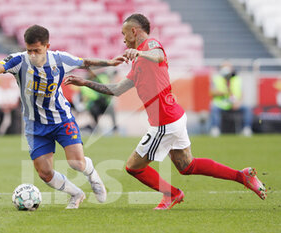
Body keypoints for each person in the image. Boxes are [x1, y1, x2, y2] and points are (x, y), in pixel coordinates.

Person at [64, 14, 267, 210]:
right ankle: (242, 176)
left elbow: (158, 54)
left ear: (134, 31)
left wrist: (140, 52)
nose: (123, 38)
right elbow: (116, 90)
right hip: (173, 116)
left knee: (134, 167)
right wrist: (85, 82)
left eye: (124, 33)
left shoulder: (150, 46)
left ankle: (172, 194)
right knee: (187, 166)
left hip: (165, 121)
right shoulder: (137, 62)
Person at [0, 25, 123, 209]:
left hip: (61, 119)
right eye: (29, 50)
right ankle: (76, 194)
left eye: (37, 50)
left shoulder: (60, 59)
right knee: (44, 173)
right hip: (35, 125)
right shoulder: (19, 60)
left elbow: (85, 62)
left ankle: (93, 176)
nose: (32, 55)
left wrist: (110, 63)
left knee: (76, 163)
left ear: (47, 46)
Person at [210, 63, 253, 137]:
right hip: (222, 104)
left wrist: (238, 102)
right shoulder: (216, 78)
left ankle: (246, 128)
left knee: (247, 108)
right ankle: (215, 129)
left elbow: (242, 93)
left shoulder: (237, 79)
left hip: (235, 104)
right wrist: (223, 92)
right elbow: (212, 92)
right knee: (214, 107)